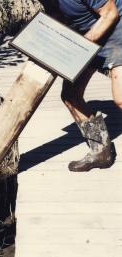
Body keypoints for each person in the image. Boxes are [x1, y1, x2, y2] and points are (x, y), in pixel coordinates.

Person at [52, 0, 122, 171]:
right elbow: (55, 16)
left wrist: (80, 46)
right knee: (70, 95)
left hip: (117, 28)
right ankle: (101, 153)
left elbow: (111, 13)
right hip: (91, 34)